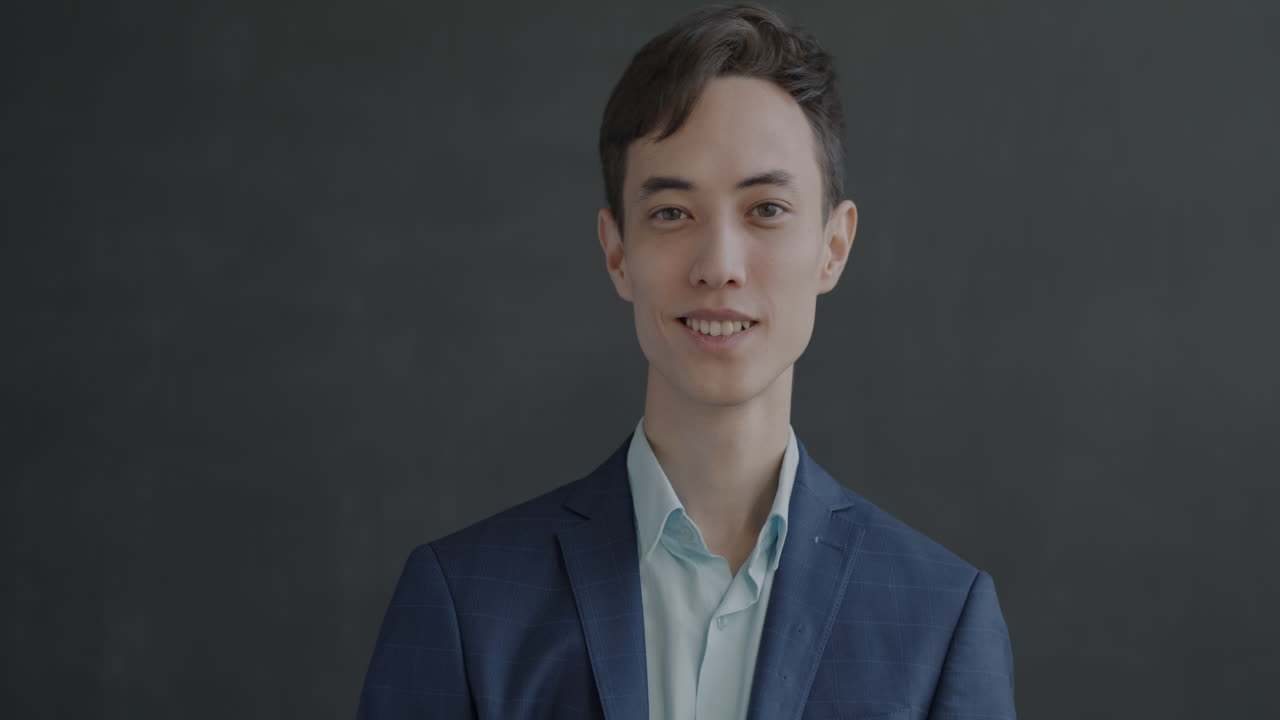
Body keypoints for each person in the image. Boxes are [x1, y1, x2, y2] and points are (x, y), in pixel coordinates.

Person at [357, 3, 1016, 719]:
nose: (719, 265)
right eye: (672, 213)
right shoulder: (466, 603)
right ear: (616, 251)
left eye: (765, 209)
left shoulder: (940, 619)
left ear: (834, 245)